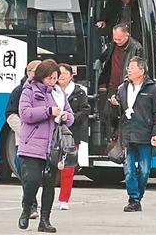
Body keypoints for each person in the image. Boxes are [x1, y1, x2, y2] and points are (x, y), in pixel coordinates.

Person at [17, 59, 74, 233]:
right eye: (50, 78)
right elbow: (25, 114)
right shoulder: (29, 91)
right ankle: (27, 209)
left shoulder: (59, 93)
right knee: (32, 181)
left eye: (55, 78)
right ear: (41, 76)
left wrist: (66, 117)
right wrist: (48, 111)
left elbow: (70, 115)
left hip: (53, 147)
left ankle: (45, 220)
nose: (53, 81)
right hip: (32, 145)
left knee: (49, 185)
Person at [108, 57, 156, 212]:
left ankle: (138, 196)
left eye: (132, 67)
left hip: (145, 135)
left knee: (144, 170)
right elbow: (116, 114)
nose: (129, 70)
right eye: (128, 68)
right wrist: (114, 106)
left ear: (142, 71)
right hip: (127, 135)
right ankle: (134, 199)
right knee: (129, 170)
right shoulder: (122, 88)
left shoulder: (153, 89)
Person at [5, 60, 42, 219]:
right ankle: (30, 204)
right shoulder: (19, 91)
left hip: (43, 141)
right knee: (25, 172)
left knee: (38, 176)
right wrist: (26, 131)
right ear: (29, 72)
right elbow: (10, 114)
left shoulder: (49, 90)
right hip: (23, 140)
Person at [56, 62, 90, 210]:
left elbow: (85, 110)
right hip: (52, 133)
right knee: (49, 167)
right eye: (59, 73)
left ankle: (64, 199)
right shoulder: (51, 90)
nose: (61, 76)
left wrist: (71, 117)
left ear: (71, 75)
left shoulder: (79, 92)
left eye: (64, 73)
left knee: (68, 168)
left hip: (71, 134)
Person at [100, 24, 144, 134]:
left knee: (124, 113)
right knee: (107, 113)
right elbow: (106, 58)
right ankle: (112, 135)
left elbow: (140, 68)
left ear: (127, 35)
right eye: (114, 38)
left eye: (119, 39)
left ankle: (120, 135)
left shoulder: (136, 47)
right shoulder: (113, 44)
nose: (116, 41)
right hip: (112, 84)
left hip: (125, 86)